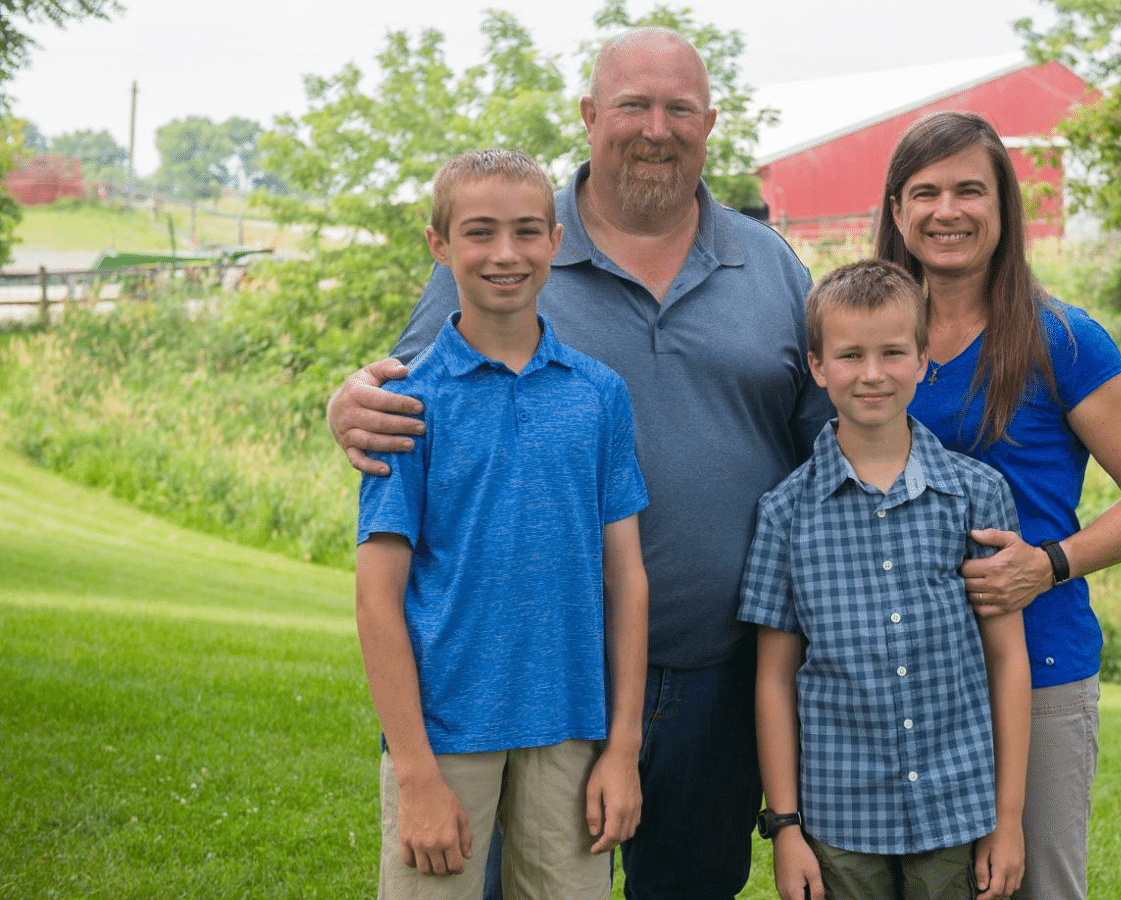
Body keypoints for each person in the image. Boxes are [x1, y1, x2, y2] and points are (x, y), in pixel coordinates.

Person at [328, 27, 833, 900]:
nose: (656, 128)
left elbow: (835, 439)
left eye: (679, 108)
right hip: (534, 673)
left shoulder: (774, 267)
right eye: (633, 104)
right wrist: (344, 403)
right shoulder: (507, 252)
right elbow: (409, 397)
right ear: (591, 114)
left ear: (710, 122)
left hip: (720, 673)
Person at [875, 112, 1121, 900]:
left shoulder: (1063, 340)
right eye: (926, 192)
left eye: (969, 190)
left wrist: (1049, 564)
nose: (947, 210)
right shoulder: (873, 341)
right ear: (896, 211)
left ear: (1005, 207)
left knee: (1032, 886)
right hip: (901, 673)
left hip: (1040, 661)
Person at [355, 148, 649, 899]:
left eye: (526, 232)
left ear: (556, 241)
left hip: (572, 729)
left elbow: (627, 579)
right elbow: (376, 597)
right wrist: (415, 770)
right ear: (439, 245)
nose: (505, 254)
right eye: (480, 233)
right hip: (445, 734)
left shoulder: (598, 395)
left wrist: (623, 748)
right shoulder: (406, 404)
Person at [740, 261, 1031, 900]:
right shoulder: (784, 513)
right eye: (850, 355)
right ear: (817, 367)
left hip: (957, 808)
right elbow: (773, 678)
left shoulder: (976, 495)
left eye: (893, 352)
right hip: (838, 819)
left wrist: (1007, 820)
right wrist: (785, 826)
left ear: (924, 359)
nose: (872, 373)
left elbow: (1008, 660)